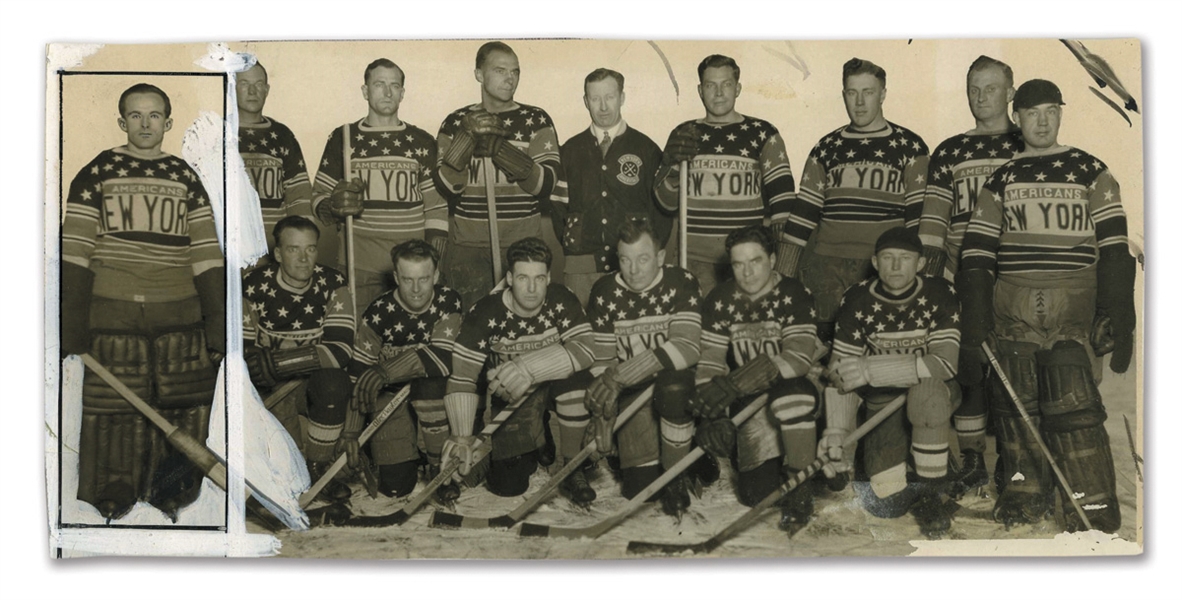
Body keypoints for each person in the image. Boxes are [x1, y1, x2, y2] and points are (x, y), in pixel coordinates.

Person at [959, 79, 1133, 534]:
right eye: (1032, 112)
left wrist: (1119, 313)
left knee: (1073, 411)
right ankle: (1024, 497)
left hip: (1071, 309)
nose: (1041, 120)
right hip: (1012, 308)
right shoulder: (1002, 179)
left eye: (1051, 110)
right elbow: (976, 255)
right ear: (1016, 118)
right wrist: (976, 321)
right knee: (1016, 411)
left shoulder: (1090, 170)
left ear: (1060, 114)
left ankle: (1090, 506)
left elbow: (1114, 248)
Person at [61, 83, 226, 521]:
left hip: (179, 310)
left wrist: (218, 323)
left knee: (183, 401)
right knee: (114, 406)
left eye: (155, 116)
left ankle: (171, 491)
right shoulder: (97, 172)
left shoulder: (185, 176)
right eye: (136, 115)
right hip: (111, 310)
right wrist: (70, 323)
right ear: (122, 122)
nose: (146, 123)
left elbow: (206, 253)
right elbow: (75, 251)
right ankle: (113, 492)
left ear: (168, 123)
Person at [917, 56, 1025, 499]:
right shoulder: (950, 151)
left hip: (1015, 274)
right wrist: (931, 281)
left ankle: (1015, 464)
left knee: (1015, 366)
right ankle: (974, 460)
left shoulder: (1027, 146)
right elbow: (932, 225)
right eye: (974, 89)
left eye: (991, 89)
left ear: (1010, 93)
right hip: (963, 275)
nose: (981, 98)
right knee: (970, 368)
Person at [780, 58, 931, 342]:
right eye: (852, 93)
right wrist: (780, 277)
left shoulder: (910, 146)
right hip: (827, 265)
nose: (859, 102)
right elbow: (803, 215)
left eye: (868, 92)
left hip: (882, 265)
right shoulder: (826, 147)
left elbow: (917, 220)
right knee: (827, 343)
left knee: (881, 340)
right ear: (843, 95)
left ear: (883, 94)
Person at [825, 227, 962, 539]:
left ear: (921, 263)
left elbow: (943, 364)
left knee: (927, 398)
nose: (896, 266)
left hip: (934, 391)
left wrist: (872, 369)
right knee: (886, 503)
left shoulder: (941, 292)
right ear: (875, 261)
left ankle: (931, 493)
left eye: (905, 258)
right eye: (888, 258)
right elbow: (840, 373)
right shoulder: (857, 297)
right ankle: (921, 463)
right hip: (883, 403)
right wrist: (837, 432)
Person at [441, 238, 598, 499]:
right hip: (513, 397)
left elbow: (586, 349)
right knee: (509, 487)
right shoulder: (484, 311)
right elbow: (463, 375)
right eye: (523, 278)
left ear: (548, 277)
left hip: (553, 386)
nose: (532, 288)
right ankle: (538, 435)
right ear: (510, 278)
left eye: (539, 278)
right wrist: (461, 436)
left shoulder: (562, 298)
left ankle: (573, 467)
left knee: (578, 383)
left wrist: (527, 366)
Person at [690, 225, 823, 531]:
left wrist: (736, 383)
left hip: (797, 390)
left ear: (773, 259)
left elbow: (798, 358)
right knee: (755, 495)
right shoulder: (720, 299)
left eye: (756, 261)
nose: (747, 273)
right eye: (738, 264)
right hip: (750, 402)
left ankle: (801, 482)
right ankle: (776, 466)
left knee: (793, 395)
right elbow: (710, 360)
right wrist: (713, 411)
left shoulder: (794, 293)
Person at [585, 219, 703, 516]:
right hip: (633, 392)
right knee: (641, 491)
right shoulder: (603, 291)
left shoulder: (682, 281)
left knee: (674, 387)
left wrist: (624, 373)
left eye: (643, 259)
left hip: (675, 385)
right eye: (625, 260)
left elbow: (687, 348)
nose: (634, 270)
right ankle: (637, 455)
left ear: (661, 258)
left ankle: (683, 468)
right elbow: (602, 360)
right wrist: (603, 411)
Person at [311, 58, 447, 314]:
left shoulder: (421, 140)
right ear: (365, 91)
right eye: (379, 84)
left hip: (412, 269)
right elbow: (318, 197)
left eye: (394, 86)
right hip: (359, 264)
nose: (387, 92)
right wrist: (333, 206)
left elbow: (437, 209)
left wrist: (433, 262)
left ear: (402, 93)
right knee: (359, 337)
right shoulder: (344, 137)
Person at [435, 41, 564, 309]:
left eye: (515, 71)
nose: (510, 79)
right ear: (479, 74)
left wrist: (502, 151)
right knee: (470, 325)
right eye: (500, 70)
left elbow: (546, 184)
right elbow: (446, 188)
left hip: (523, 245)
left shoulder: (536, 119)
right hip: (468, 246)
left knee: (521, 325)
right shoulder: (455, 121)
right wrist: (465, 141)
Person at [653, 54, 796, 295]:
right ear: (700, 90)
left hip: (747, 260)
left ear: (738, 88)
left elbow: (783, 202)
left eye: (726, 84)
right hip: (692, 259)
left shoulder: (762, 133)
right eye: (710, 85)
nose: (718, 93)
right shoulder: (685, 132)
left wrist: (780, 262)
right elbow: (664, 204)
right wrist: (673, 166)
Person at [242, 215, 356, 502]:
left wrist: (278, 363)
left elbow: (341, 350)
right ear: (278, 253)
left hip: (309, 384)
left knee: (335, 382)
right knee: (288, 467)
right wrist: (258, 364)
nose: (304, 258)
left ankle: (319, 467)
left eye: (311, 249)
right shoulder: (253, 285)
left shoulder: (333, 283)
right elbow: (242, 351)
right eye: (294, 249)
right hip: (273, 389)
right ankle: (286, 474)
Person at [349, 239, 464, 501]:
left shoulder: (448, 300)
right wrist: (352, 430)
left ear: (435, 275)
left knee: (431, 385)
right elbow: (358, 374)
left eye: (423, 279)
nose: (415, 289)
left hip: (431, 392)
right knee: (394, 488)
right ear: (395, 277)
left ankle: (439, 466)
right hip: (390, 396)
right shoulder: (378, 312)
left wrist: (385, 370)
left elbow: (442, 357)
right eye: (407, 279)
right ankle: (398, 453)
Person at [553, 68, 672, 305]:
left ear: (622, 97)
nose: (603, 107)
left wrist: (643, 256)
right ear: (586, 102)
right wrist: (576, 241)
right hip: (581, 268)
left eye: (610, 97)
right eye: (595, 99)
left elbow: (662, 211)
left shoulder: (646, 149)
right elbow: (558, 210)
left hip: (634, 266)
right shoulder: (569, 151)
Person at [236, 61, 313, 255]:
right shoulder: (214, 134)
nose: (253, 91)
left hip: (276, 249)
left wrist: (297, 244)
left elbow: (299, 197)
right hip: (231, 248)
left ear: (267, 90)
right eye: (244, 84)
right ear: (232, 88)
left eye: (259, 84)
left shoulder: (282, 134)